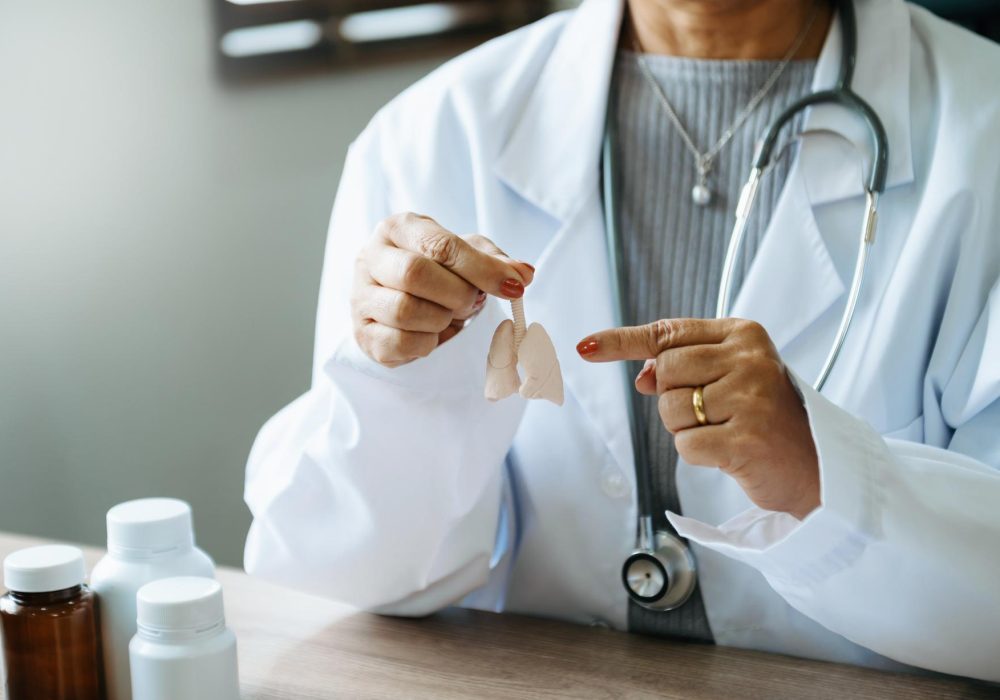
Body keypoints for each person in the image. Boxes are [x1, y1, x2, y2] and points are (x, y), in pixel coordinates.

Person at [243, 0, 1000, 681]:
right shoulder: (431, 132)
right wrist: (408, 383)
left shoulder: (983, 128)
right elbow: (357, 574)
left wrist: (818, 471)